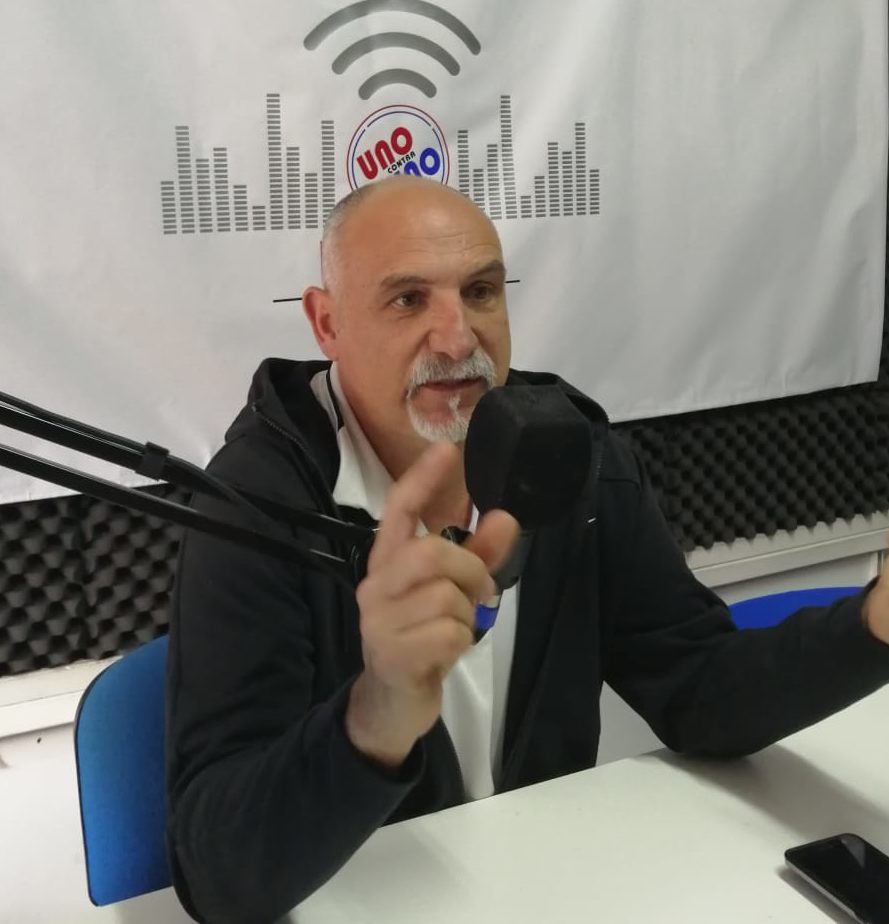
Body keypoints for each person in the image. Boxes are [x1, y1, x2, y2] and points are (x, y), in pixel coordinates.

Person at [166, 176, 889, 924]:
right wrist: (374, 719)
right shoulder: (252, 508)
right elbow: (219, 877)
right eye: (408, 299)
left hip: (551, 888)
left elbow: (699, 689)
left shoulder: (574, 459)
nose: (456, 339)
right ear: (327, 322)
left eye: (480, 292)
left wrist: (872, 623)